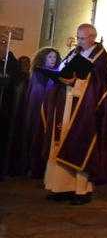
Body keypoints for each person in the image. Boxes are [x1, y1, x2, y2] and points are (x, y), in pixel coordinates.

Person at [42, 23, 107, 205]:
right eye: (78, 37)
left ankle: (81, 190)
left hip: (82, 108)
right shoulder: (75, 53)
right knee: (59, 143)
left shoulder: (100, 56)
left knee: (78, 145)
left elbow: (103, 83)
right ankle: (60, 187)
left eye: (82, 38)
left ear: (92, 37)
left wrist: (77, 81)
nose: (79, 41)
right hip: (65, 104)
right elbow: (63, 69)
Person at [26, 48, 61, 178]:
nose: (53, 60)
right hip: (39, 110)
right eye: (50, 57)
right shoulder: (38, 73)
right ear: (43, 58)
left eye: (55, 57)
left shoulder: (58, 73)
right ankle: (34, 167)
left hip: (52, 110)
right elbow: (36, 93)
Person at [0, 33, 20, 180]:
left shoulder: (10, 58)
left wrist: (9, 80)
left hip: (5, 104)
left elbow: (17, 76)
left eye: (5, 42)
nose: (2, 44)